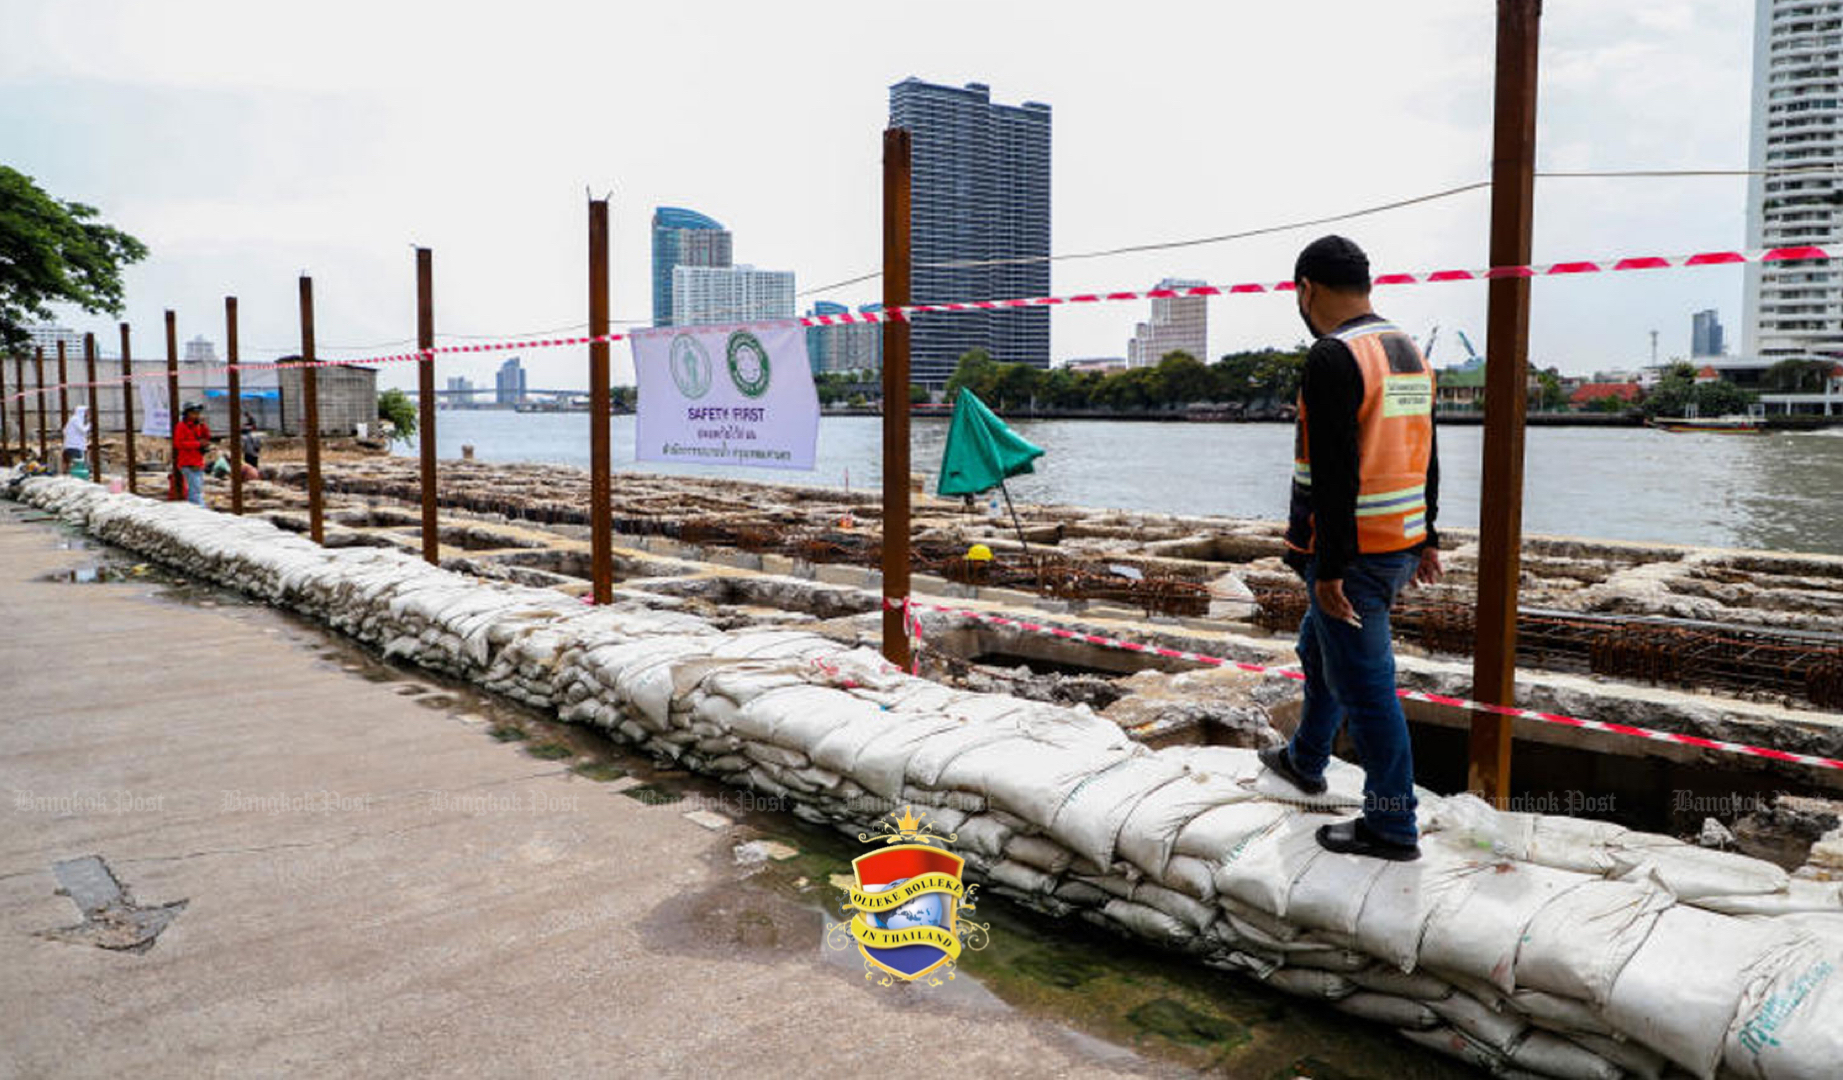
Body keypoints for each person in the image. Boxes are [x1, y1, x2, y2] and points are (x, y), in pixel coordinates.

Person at [1258, 235, 1442, 862]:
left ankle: (1392, 823)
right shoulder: (1405, 351)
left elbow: (1336, 474)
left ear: (1306, 289)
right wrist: (1428, 535)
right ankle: (1306, 759)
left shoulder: (1333, 357)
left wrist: (1329, 568)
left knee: (1367, 690)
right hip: (1397, 543)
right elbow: (1424, 451)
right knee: (1318, 646)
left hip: (1352, 556)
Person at [173, 401, 211, 506]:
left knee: (195, 490)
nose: (196, 415)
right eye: (194, 413)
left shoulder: (198, 426)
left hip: (197, 461)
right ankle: (201, 511)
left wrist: (203, 426)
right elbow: (178, 444)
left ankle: (194, 509)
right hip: (188, 462)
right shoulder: (181, 426)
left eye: (197, 413)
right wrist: (197, 444)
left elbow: (207, 437)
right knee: (196, 491)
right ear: (187, 414)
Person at [61, 405, 90, 473]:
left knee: (68, 465)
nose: (87, 415)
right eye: (86, 412)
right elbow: (83, 430)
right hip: (75, 447)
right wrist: (89, 425)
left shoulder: (73, 420)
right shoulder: (76, 419)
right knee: (78, 465)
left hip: (69, 446)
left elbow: (64, 431)